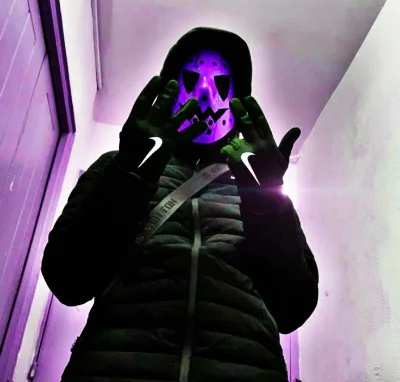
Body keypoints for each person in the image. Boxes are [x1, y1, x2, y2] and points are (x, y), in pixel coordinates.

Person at [42, 27, 319, 382]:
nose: (204, 95)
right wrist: (126, 173)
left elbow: (292, 310)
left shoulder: (257, 187)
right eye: (190, 80)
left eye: (221, 84)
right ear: (168, 91)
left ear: (240, 100)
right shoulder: (119, 167)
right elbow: (68, 280)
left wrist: (268, 200)